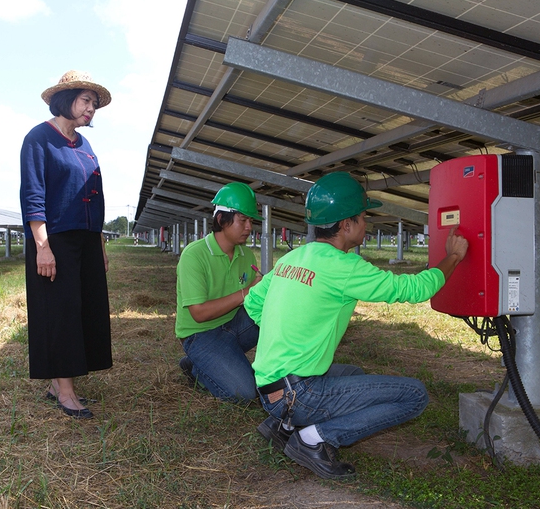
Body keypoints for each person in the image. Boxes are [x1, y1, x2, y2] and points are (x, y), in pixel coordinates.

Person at [245, 172, 468, 479]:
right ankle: (313, 439)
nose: (367, 224)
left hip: (269, 388)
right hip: (298, 393)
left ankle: (283, 425)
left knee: (354, 375)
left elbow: (253, 302)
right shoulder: (344, 267)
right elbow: (413, 289)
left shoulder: (293, 258)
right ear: (346, 225)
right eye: (363, 217)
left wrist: (286, 332)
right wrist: (454, 256)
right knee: (414, 395)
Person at [20, 70, 113, 419]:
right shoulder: (39, 138)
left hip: (86, 239)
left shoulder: (85, 145)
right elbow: (33, 195)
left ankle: (57, 384)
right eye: (86, 101)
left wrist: (100, 243)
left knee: (84, 309)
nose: (91, 109)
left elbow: (95, 196)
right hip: (55, 238)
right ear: (66, 99)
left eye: (94, 104)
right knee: (61, 313)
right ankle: (66, 393)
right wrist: (42, 245)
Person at [175, 182, 263, 403]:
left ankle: (217, 360)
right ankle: (197, 368)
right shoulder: (194, 255)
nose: (249, 227)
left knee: (273, 316)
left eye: (251, 221)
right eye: (243, 220)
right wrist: (247, 292)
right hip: (200, 334)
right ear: (222, 220)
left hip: (232, 326)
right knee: (245, 393)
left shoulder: (247, 256)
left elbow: (253, 301)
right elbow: (199, 313)